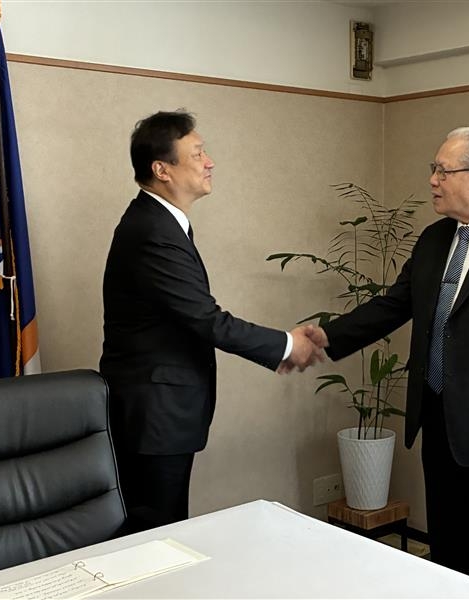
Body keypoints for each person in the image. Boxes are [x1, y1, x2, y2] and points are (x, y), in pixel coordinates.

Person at [308, 127, 469, 596]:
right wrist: (323, 338)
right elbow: (393, 305)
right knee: (450, 556)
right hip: (439, 423)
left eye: (441, 170)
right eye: (433, 169)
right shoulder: (435, 238)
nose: (432, 179)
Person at [100, 110, 321, 533]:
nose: (210, 161)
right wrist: (288, 345)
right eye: (198, 153)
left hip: (162, 413)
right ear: (161, 169)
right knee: (154, 536)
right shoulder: (152, 230)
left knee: (163, 531)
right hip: (153, 416)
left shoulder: (161, 222)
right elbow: (205, 318)